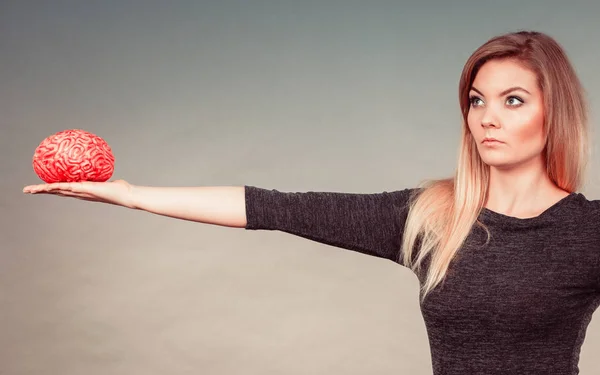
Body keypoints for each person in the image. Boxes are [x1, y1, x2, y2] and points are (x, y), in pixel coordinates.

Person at [22, 30, 600, 375]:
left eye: (514, 99)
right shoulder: (431, 218)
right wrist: (129, 195)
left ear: (556, 114)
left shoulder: (589, 231)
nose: (488, 116)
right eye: (477, 100)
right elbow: (273, 208)